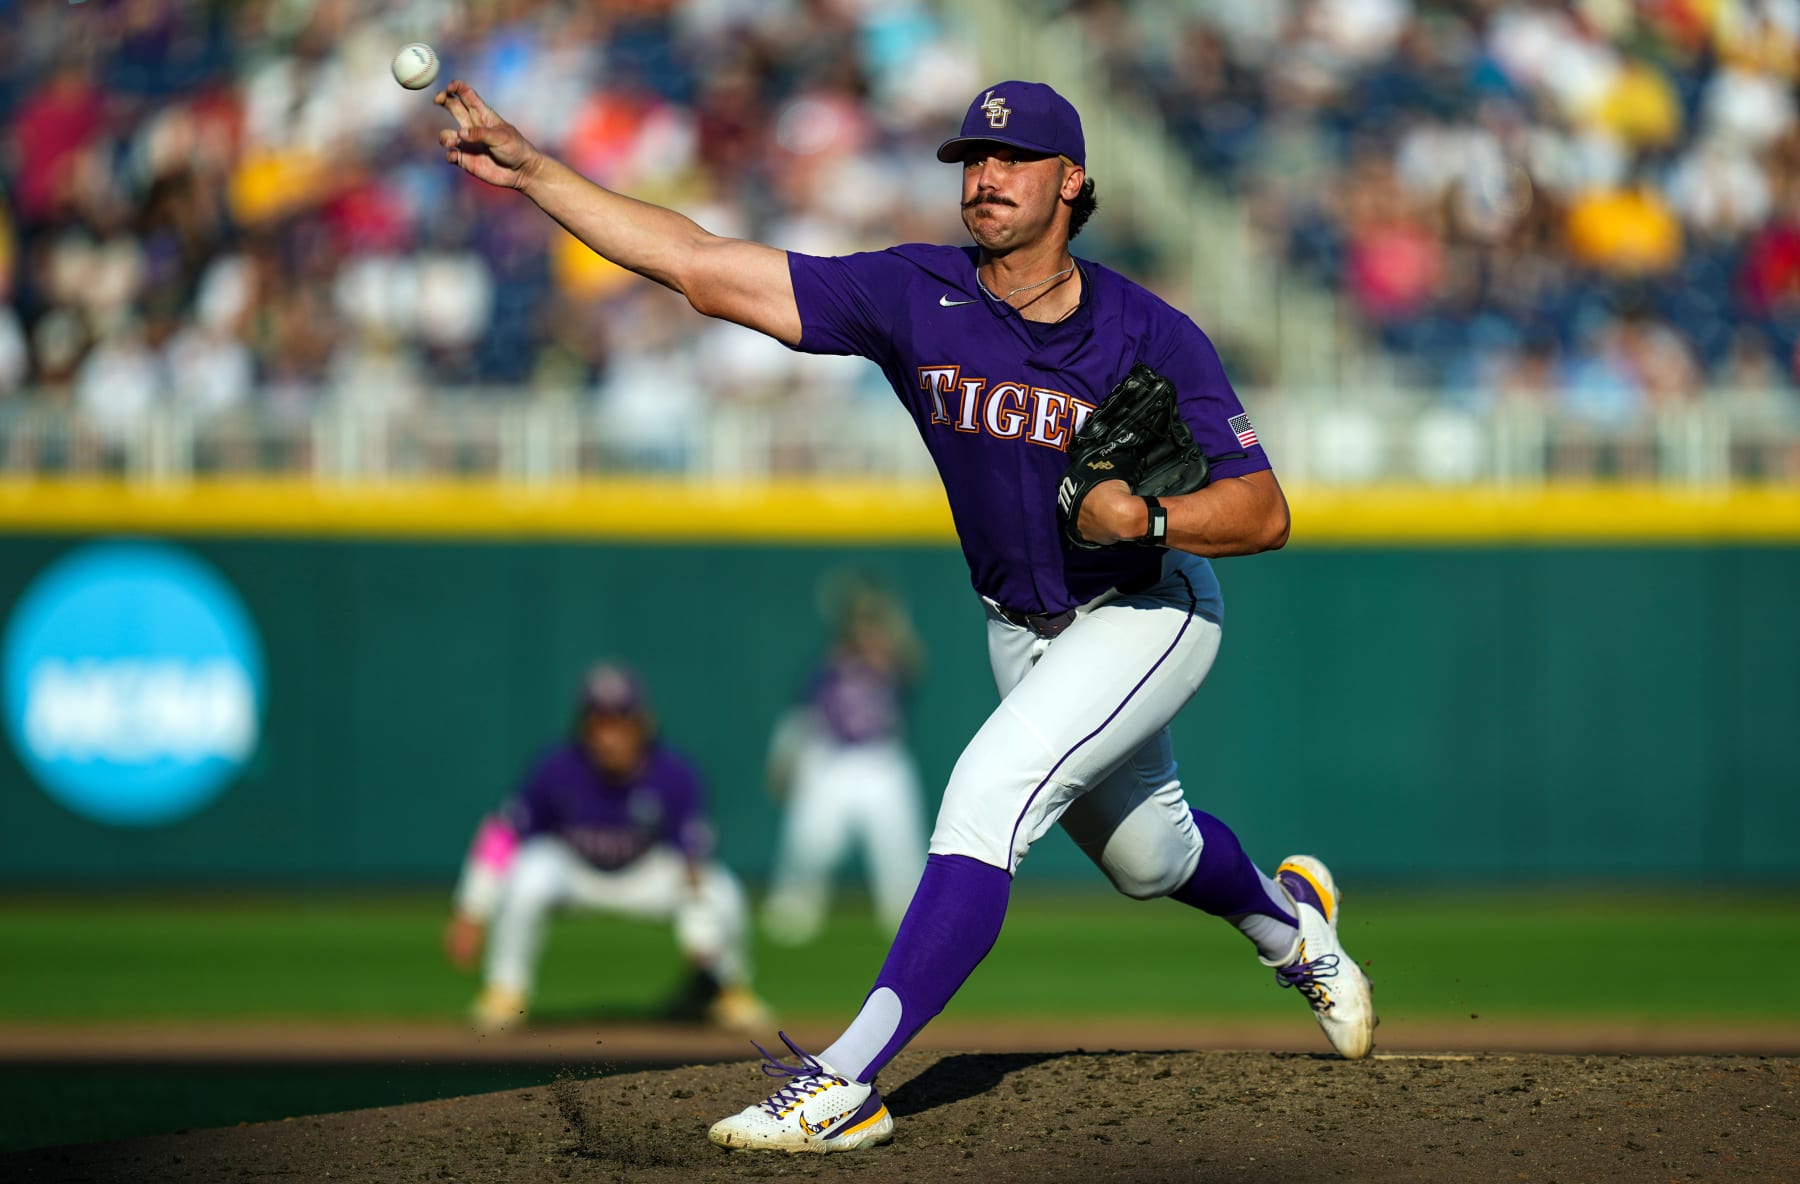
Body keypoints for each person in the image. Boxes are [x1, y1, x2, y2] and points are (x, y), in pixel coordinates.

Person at [433, 76, 1376, 1151]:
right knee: (1147, 858)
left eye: (1012, 159)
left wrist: (1147, 516)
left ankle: (844, 1079)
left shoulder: (1151, 331)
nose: (985, 175)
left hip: (1146, 606)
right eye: (972, 157)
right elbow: (701, 266)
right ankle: (1293, 925)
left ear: (1073, 182)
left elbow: (1266, 511)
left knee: (986, 797)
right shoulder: (913, 294)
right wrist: (538, 173)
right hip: (1022, 625)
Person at [443, 661, 771, 1036]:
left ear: (642, 724)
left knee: (722, 889)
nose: (608, 735)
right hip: (575, 872)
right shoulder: (558, 768)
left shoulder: (674, 773)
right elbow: (504, 833)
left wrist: (700, 931)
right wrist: (471, 907)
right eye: (598, 721)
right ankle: (505, 990)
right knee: (529, 873)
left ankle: (725, 988)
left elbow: (692, 858)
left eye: (619, 721)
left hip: (644, 873)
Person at [761, 568, 928, 945]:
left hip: (882, 762)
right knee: (810, 845)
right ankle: (794, 912)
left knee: (900, 855)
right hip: (832, 762)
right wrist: (784, 759)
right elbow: (802, 715)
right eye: (861, 622)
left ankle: (906, 923)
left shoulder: (892, 660)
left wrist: (891, 623)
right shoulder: (827, 663)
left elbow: (914, 663)